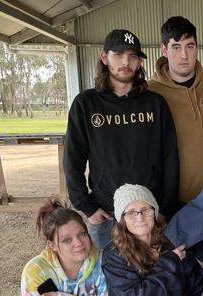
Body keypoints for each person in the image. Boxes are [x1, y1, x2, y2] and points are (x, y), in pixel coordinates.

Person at [64, 29, 179, 251]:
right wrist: (86, 207)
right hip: (107, 214)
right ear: (104, 57)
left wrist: (164, 208)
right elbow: (72, 159)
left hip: (149, 214)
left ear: (139, 63)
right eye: (118, 54)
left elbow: (170, 157)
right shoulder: (85, 104)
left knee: (154, 276)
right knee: (111, 280)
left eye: (133, 56)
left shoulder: (155, 104)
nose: (126, 62)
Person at [148, 16, 203, 204]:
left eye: (190, 46)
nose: (184, 55)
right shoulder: (150, 93)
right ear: (164, 50)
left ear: (197, 48)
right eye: (176, 47)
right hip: (171, 202)